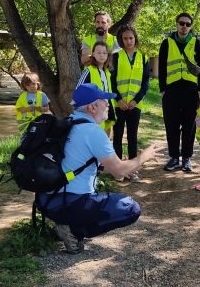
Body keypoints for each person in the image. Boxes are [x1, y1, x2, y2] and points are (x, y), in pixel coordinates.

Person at [36, 83, 161, 254]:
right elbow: (119, 172)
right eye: (104, 101)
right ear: (93, 107)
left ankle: (65, 223)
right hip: (71, 202)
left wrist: (119, 167)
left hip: (47, 202)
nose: (109, 104)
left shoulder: (67, 123)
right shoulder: (92, 131)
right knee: (131, 208)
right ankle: (73, 230)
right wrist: (144, 157)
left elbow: (79, 161)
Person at [158, 12, 200, 173]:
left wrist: (199, 90)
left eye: (187, 24)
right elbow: (162, 67)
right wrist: (162, 89)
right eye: (181, 23)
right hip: (171, 91)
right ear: (176, 24)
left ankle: (186, 158)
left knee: (189, 126)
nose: (184, 27)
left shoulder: (196, 44)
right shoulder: (167, 43)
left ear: (190, 27)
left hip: (191, 91)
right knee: (171, 125)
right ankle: (173, 157)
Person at [111, 26, 150, 182]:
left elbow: (145, 82)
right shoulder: (116, 57)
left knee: (132, 136)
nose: (128, 41)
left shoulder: (143, 57)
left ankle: (133, 170)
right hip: (118, 104)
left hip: (135, 105)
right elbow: (112, 81)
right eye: (125, 38)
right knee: (118, 136)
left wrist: (135, 101)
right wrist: (119, 99)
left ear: (135, 39)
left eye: (131, 38)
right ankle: (118, 170)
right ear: (121, 40)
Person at [77, 41, 116, 136]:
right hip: (93, 113)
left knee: (104, 139)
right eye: (98, 53)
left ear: (107, 55)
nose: (102, 55)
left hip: (105, 112)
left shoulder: (107, 73)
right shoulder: (88, 71)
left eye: (104, 53)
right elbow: (78, 92)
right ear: (93, 54)